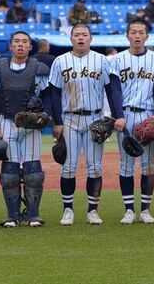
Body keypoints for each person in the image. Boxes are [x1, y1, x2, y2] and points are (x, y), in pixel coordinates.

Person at [48, 23, 126, 226]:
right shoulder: (60, 61)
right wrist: (57, 122)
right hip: (69, 119)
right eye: (76, 35)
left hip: (94, 118)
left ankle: (93, 210)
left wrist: (117, 115)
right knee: (68, 167)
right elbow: (54, 93)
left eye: (84, 34)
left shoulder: (101, 61)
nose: (80, 38)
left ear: (91, 38)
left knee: (95, 168)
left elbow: (112, 90)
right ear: (71, 38)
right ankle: (68, 210)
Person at [0, 31, 53, 227]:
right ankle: (12, 215)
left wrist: (44, 114)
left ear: (30, 47)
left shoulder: (39, 68)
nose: (21, 45)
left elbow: (48, 96)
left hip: (31, 125)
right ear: (10, 45)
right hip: (7, 121)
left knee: (33, 172)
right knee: (9, 173)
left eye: (25, 42)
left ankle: (33, 214)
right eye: (17, 41)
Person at [110, 19, 154, 224]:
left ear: (147, 36)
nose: (137, 36)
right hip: (125, 114)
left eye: (141, 32)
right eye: (133, 32)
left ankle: (145, 210)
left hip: (148, 114)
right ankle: (129, 210)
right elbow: (114, 89)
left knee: (148, 164)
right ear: (127, 36)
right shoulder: (117, 60)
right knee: (126, 164)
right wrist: (118, 115)